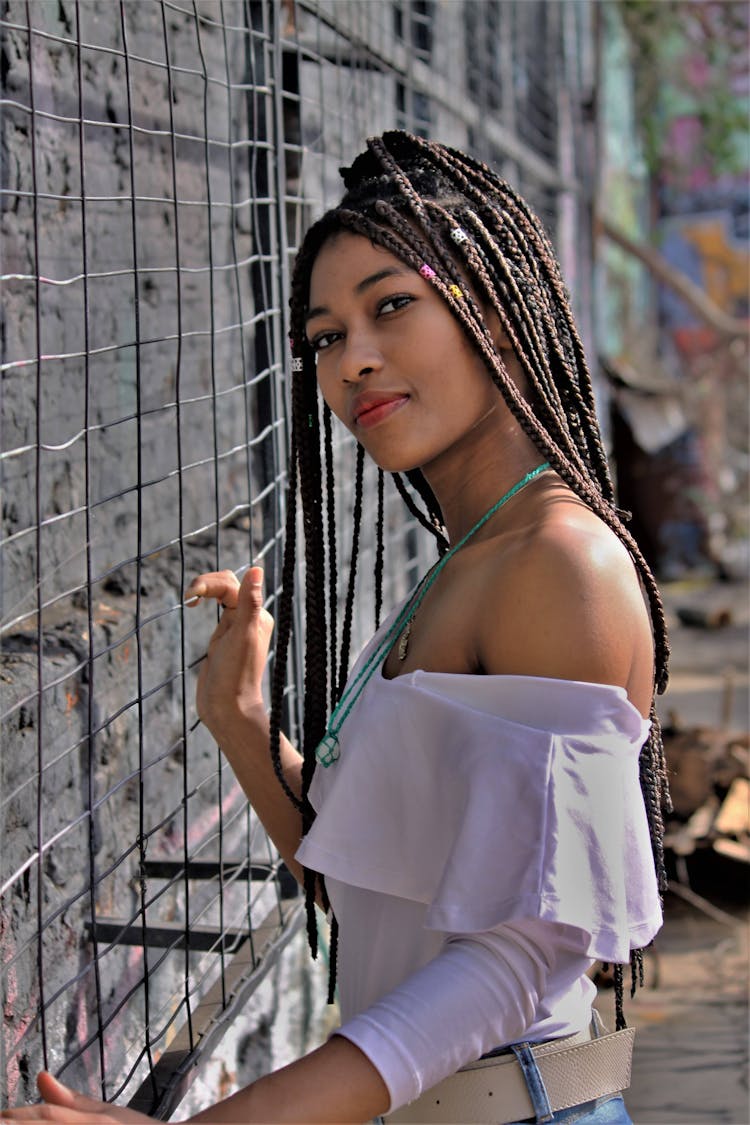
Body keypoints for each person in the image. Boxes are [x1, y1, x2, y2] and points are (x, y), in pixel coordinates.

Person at [3, 132, 669, 1125]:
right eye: (323, 336)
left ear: (489, 303)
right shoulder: (471, 558)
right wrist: (238, 718)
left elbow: (518, 960)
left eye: (391, 306)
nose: (352, 359)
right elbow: (364, 889)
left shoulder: (556, 566)